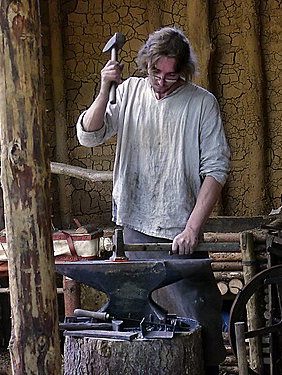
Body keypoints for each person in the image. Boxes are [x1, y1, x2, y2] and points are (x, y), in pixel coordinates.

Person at [76, 27, 230, 374]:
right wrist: (105, 88)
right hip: (134, 223)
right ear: (145, 64)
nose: (161, 81)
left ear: (183, 71)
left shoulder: (202, 103)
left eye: (171, 75)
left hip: (180, 232)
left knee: (198, 312)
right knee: (141, 320)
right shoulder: (128, 91)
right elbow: (89, 133)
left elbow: (216, 171)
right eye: (155, 72)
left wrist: (192, 229)